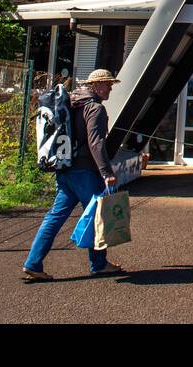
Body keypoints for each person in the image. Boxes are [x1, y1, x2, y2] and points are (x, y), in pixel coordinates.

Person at [23, 68, 125, 281]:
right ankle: (99, 264)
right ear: (95, 86)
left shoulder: (71, 104)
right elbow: (96, 143)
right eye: (107, 84)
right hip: (85, 171)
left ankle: (33, 263)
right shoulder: (95, 108)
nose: (110, 88)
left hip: (65, 168)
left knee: (55, 216)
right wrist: (106, 172)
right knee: (99, 215)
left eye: (110, 84)